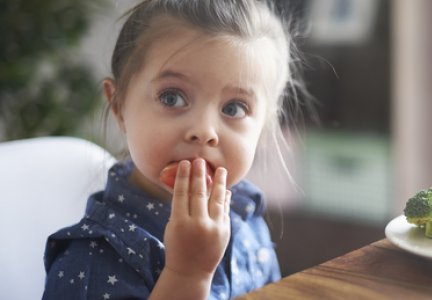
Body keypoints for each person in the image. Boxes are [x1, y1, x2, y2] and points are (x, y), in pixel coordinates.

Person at [42, 0, 311, 299]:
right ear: (119, 107)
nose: (204, 131)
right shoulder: (93, 259)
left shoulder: (246, 215)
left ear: (264, 125)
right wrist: (187, 274)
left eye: (234, 108)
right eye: (172, 98)